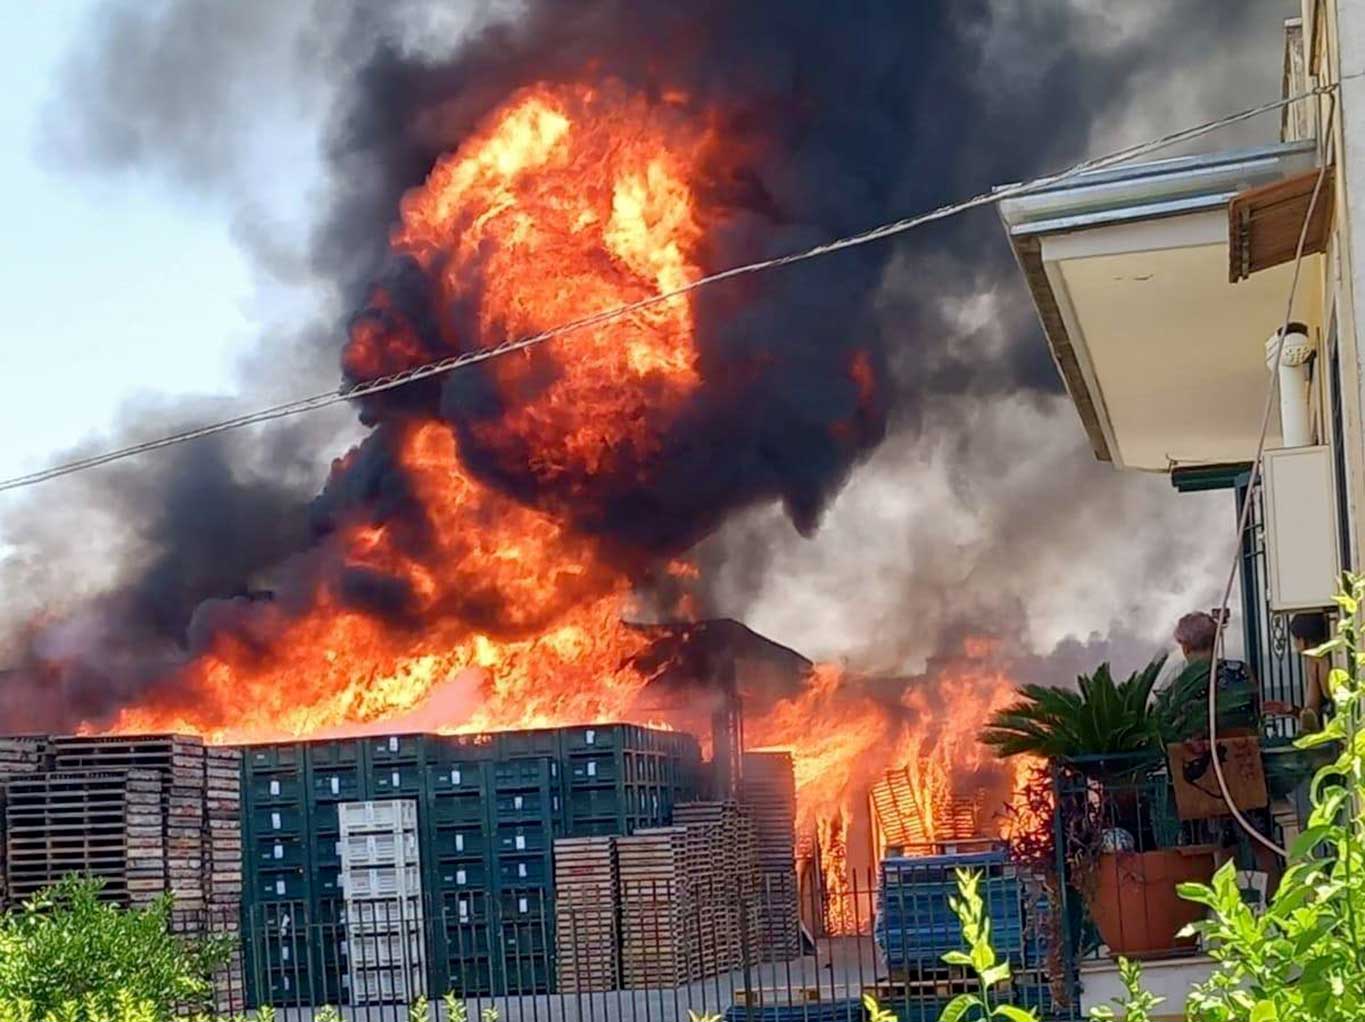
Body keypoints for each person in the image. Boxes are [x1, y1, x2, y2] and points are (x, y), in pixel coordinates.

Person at [1172, 611, 1259, 737]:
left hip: (1202, 752)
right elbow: (1255, 709)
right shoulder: (1241, 669)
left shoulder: (1183, 683)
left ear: (1186, 647)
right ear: (1215, 642)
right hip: (1244, 748)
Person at [1290, 611, 1332, 732]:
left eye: (1295, 640)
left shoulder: (1327, 658)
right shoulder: (1312, 661)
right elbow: (1312, 707)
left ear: (1302, 641)